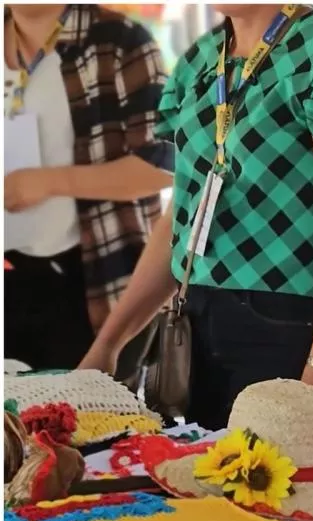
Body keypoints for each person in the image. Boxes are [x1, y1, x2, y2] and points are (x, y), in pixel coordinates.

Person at [78, 4, 313, 428]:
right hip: (194, 323)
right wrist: (110, 343)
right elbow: (183, 215)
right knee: (192, 486)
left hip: (288, 324)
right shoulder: (203, 57)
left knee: (275, 487)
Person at [4, 4, 172, 372]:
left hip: (91, 278)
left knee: (82, 422)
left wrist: (48, 182)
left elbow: (163, 165)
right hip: (8, 273)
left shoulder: (121, 40)